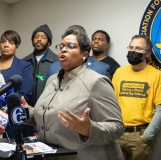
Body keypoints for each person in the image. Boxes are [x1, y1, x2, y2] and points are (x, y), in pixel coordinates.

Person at [21, 25, 125, 160]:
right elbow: (50, 115)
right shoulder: (52, 80)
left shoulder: (96, 82)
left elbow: (117, 127)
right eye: (61, 46)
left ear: (84, 55)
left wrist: (88, 129)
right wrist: (27, 111)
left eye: (70, 46)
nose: (63, 49)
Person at [112, 34, 161, 160]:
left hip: (140, 136)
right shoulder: (119, 72)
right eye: (131, 47)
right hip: (118, 133)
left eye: (139, 48)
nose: (133, 51)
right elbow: (111, 103)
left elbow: (160, 109)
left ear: (148, 54)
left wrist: (147, 136)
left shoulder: (157, 75)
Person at [0, 30, 33, 138]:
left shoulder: (24, 66)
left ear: (16, 47)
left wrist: (5, 109)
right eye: (3, 42)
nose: (6, 45)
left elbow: (24, 93)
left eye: (11, 43)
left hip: (12, 115)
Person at [23, 24, 59, 107]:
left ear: (49, 42)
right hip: (26, 110)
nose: (39, 39)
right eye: (36, 37)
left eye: (43, 37)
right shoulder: (24, 62)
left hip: (48, 111)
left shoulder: (57, 61)